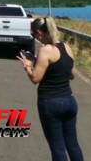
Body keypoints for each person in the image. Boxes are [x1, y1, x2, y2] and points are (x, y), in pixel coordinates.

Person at [17, 17, 83, 161]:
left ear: (40, 32)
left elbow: (35, 78)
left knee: (57, 146)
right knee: (72, 144)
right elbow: (72, 74)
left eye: (34, 34)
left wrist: (27, 65)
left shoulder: (45, 50)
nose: (35, 37)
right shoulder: (66, 47)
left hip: (50, 102)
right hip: (69, 100)